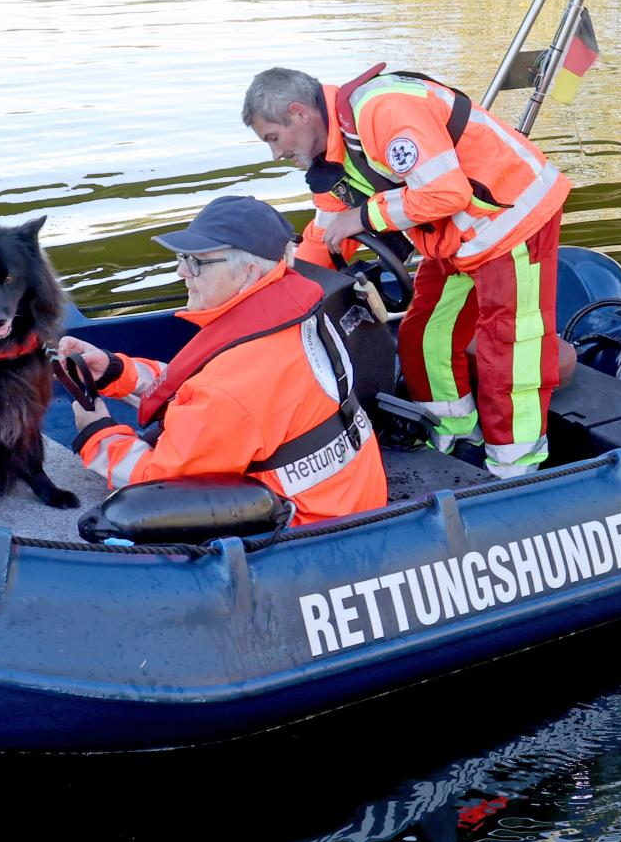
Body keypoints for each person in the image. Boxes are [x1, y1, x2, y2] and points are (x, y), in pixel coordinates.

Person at [243, 65, 570, 478]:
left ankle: (515, 470)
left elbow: (447, 192)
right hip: (456, 239)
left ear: (299, 112)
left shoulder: (382, 111)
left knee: (509, 348)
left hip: (511, 220)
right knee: (423, 337)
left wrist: (364, 215)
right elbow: (325, 237)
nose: (275, 154)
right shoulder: (332, 157)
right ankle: (453, 438)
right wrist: (281, 299)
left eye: (273, 138)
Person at [60, 196, 387, 525]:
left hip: (308, 529)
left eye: (196, 262)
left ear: (248, 272)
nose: (181, 271)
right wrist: (118, 371)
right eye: (182, 258)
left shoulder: (231, 385)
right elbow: (199, 388)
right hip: (355, 496)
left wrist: (97, 434)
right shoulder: (301, 314)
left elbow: (158, 483)